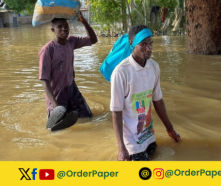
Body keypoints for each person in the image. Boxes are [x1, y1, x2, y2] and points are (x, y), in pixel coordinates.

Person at [110, 25, 180, 161]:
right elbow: (116, 111)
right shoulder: (121, 72)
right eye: (143, 44)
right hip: (131, 141)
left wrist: (170, 129)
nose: (149, 48)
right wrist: (121, 148)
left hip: (148, 134)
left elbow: (158, 100)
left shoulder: (153, 67)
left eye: (151, 43)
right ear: (132, 43)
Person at [39, 13, 98, 131]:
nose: (64, 28)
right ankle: (55, 114)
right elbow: (44, 80)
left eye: (66, 25)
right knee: (58, 129)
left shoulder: (71, 41)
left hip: (71, 89)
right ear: (53, 30)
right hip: (57, 93)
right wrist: (55, 105)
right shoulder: (47, 50)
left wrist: (83, 21)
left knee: (88, 117)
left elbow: (93, 40)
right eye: (60, 27)